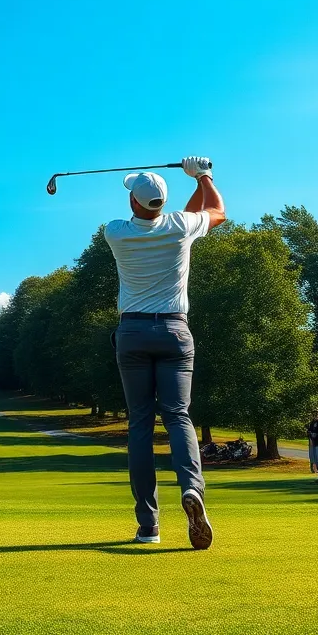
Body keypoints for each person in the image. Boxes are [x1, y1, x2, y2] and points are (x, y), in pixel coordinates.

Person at [103, 156, 225, 549]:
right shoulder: (179, 228)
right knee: (178, 416)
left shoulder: (116, 232)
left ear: (134, 203)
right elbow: (215, 211)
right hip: (175, 330)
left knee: (140, 424)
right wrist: (202, 176)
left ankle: (148, 526)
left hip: (133, 332)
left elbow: (184, 218)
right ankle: (193, 490)